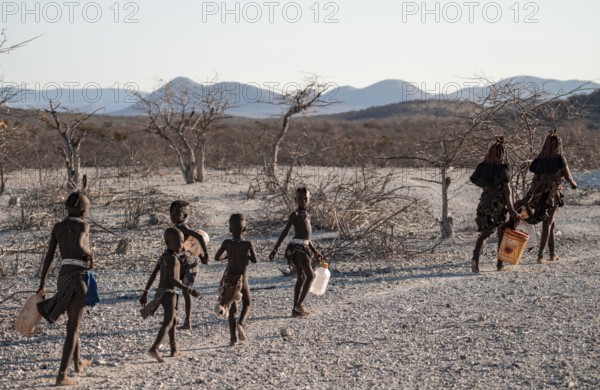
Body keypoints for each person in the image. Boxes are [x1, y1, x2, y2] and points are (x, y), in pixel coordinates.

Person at [36, 192, 95, 386]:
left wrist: (42, 283)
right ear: (84, 211)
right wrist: (90, 254)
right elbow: (79, 245)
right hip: (78, 277)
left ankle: (78, 363)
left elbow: (49, 257)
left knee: (72, 322)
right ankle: (61, 375)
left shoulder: (58, 227)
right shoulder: (84, 225)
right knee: (73, 327)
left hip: (63, 276)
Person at [143, 200, 208, 330]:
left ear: (184, 215)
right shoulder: (176, 228)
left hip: (189, 265)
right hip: (180, 263)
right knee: (172, 289)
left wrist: (206, 255)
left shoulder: (184, 228)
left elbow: (199, 238)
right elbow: (192, 244)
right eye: (171, 213)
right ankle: (172, 317)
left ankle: (187, 321)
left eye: (177, 213)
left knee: (186, 291)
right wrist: (201, 255)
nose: (173, 216)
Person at [140, 227, 200, 362]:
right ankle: (155, 348)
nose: (181, 245)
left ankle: (174, 348)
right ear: (167, 242)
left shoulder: (164, 256)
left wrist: (146, 292)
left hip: (160, 292)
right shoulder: (173, 259)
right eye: (177, 242)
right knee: (168, 322)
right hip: (170, 293)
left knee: (172, 320)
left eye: (182, 242)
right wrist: (189, 290)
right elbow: (173, 279)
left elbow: (154, 274)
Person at [523, 131, 577, 264]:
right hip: (552, 194)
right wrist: (573, 184)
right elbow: (568, 176)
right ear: (559, 144)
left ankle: (552, 254)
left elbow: (535, 179)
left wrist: (529, 194)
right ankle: (541, 255)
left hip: (538, 194)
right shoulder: (560, 159)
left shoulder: (539, 159)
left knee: (551, 224)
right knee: (547, 223)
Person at [269, 187, 324, 317]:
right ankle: (299, 305)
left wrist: (315, 251)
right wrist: (275, 249)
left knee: (301, 278)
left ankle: (295, 310)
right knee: (311, 276)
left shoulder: (307, 215)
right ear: (295, 200)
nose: (303, 201)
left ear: (309, 200)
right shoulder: (295, 214)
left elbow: (307, 238)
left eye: (305, 198)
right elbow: (285, 231)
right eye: (299, 198)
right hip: (297, 249)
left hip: (304, 247)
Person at [469, 137, 520, 274]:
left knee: (485, 233)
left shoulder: (484, 169)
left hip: (484, 203)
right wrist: (512, 210)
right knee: (501, 232)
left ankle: (475, 257)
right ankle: (499, 264)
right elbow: (507, 192)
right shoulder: (503, 170)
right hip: (498, 205)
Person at [214, 214, 258, 346]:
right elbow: (255, 260)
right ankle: (241, 323)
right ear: (245, 229)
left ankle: (233, 338)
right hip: (242, 278)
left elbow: (216, 257)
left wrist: (227, 256)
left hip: (229, 278)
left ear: (229, 229)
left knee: (231, 307)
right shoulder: (247, 244)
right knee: (247, 304)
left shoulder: (227, 243)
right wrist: (246, 256)